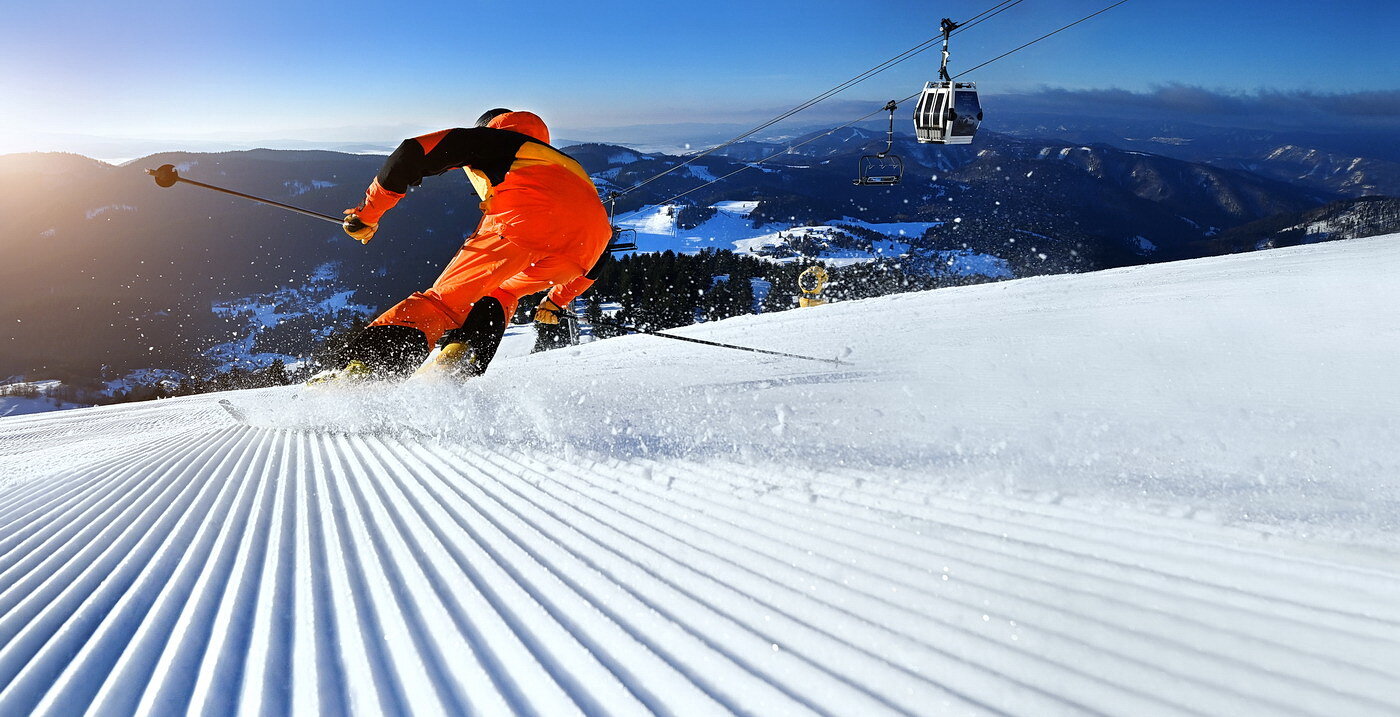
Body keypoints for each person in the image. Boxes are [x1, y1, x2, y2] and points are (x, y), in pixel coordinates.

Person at [322, 108, 611, 381]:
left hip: (524, 222)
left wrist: (367, 214)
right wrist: (556, 301)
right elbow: (601, 250)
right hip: (585, 249)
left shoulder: (497, 140)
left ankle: (361, 372)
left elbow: (411, 153)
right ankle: (459, 361)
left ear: (490, 126)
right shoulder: (567, 165)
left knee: (441, 304)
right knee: (501, 293)